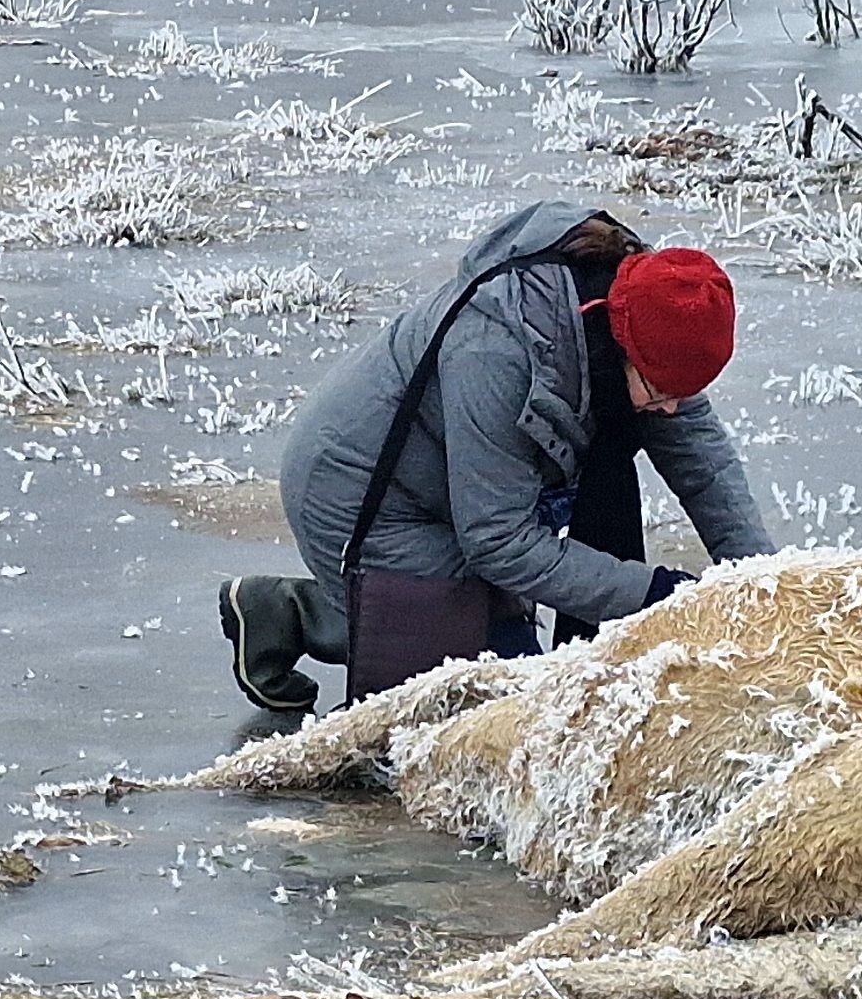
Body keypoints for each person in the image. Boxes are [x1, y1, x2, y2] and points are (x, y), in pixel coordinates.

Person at [216, 202, 777, 712]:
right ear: (622, 346)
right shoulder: (500, 350)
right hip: (367, 498)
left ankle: (323, 611)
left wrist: (765, 584)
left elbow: (705, 467)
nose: (674, 410)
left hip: (456, 492)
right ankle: (302, 615)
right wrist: (656, 595)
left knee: (509, 662)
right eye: (660, 392)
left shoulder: (638, 313)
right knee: (483, 705)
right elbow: (499, 541)